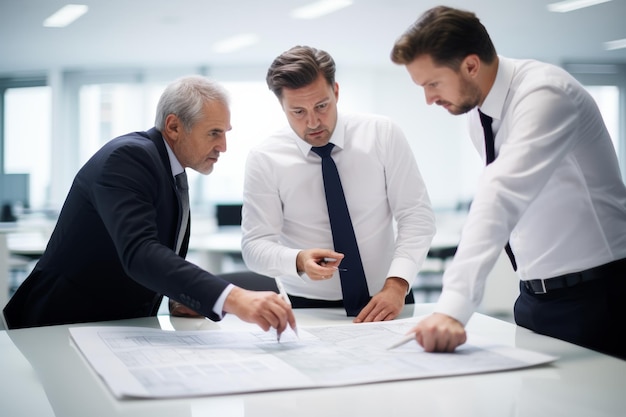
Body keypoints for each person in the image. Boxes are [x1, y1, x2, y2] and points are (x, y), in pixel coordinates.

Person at [390, 6, 626, 358]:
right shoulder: (478, 115)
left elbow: (500, 195)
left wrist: (452, 307)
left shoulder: (546, 94)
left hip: (597, 296)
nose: (429, 99)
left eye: (433, 83)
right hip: (534, 297)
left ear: (471, 65)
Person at [3, 75, 296, 337]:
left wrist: (181, 294)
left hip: (111, 327)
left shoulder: (169, 167)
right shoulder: (128, 158)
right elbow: (140, 252)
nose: (223, 146)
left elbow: (153, 257)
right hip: (60, 325)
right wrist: (233, 298)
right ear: (173, 127)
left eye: (225, 132)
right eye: (214, 133)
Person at [241, 45, 436, 323]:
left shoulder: (382, 134)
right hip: (308, 308)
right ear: (281, 106)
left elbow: (417, 217)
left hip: (389, 296)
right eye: (297, 111)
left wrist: (397, 285)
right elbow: (254, 246)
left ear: (336, 92)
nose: (313, 122)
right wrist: (298, 259)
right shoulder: (265, 158)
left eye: (322, 106)